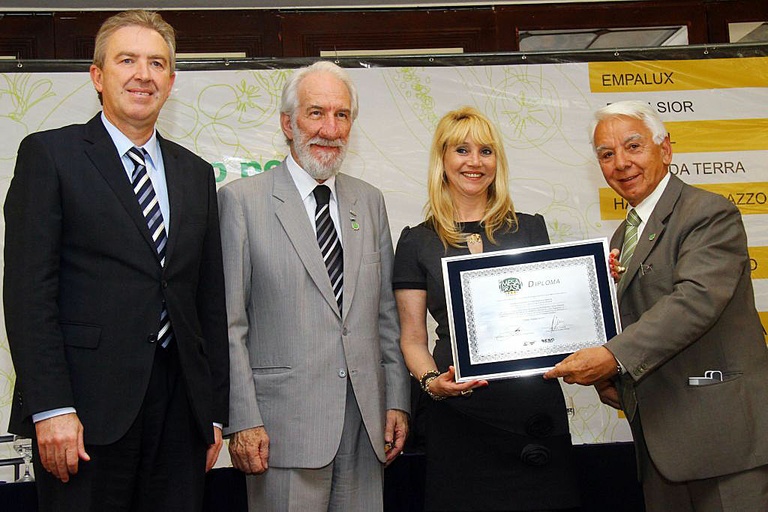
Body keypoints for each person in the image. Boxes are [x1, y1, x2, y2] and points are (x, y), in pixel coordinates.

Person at [3, 10, 229, 511]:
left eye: (156, 63)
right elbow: (26, 295)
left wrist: (212, 413)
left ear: (171, 80)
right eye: (127, 60)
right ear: (97, 76)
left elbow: (208, 303)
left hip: (180, 415)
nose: (142, 74)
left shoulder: (196, 174)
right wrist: (52, 408)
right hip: (84, 414)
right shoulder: (50, 156)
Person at [544, 100, 768, 511]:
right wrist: (613, 376)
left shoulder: (707, 212)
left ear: (665, 149)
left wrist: (613, 357)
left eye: (633, 147)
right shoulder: (620, 239)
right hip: (661, 437)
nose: (621, 163)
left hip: (723, 440)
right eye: (607, 155)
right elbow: (640, 318)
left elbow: (695, 301)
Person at [219, 61, 410, 512]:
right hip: (281, 430)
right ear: (288, 123)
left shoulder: (370, 200)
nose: (330, 128)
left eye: (341, 115)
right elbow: (230, 324)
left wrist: (397, 401)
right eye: (316, 113)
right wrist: (242, 420)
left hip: (366, 426)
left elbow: (386, 316)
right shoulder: (241, 201)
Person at [394, 107, 580, 511]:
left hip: (531, 408)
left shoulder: (531, 228)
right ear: (442, 160)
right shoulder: (416, 241)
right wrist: (431, 382)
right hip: (458, 410)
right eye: (462, 150)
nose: (475, 162)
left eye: (486, 151)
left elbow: (555, 308)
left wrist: (593, 280)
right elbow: (411, 337)